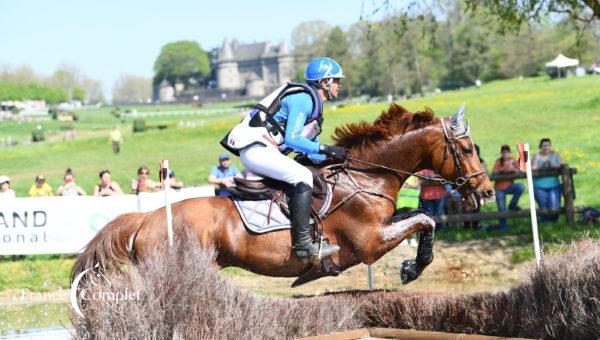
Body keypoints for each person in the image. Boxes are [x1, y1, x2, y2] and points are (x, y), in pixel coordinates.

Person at [220, 57, 347, 261]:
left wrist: (337, 156)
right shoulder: (304, 99)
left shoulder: (314, 106)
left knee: (308, 172)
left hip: (263, 150)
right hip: (256, 149)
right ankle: (303, 245)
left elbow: (311, 151)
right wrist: (326, 148)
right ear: (325, 82)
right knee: (303, 176)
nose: (339, 85)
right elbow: (293, 139)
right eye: (337, 80)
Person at [492, 145, 525, 230]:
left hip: (509, 186)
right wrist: (503, 169)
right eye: (503, 152)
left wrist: (512, 170)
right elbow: (493, 172)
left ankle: (512, 205)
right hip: (499, 188)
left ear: (509, 153)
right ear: (501, 153)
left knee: (521, 186)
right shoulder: (498, 161)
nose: (505, 154)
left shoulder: (513, 160)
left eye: (507, 152)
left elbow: (519, 171)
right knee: (502, 209)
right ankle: (503, 227)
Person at [532, 138, 563, 223]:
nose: (546, 147)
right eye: (544, 145)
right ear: (540, 147)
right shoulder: (537, 156)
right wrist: (542, 166)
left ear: (550, 146)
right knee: (543, 207)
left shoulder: (555, 155)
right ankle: (545, 224)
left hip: (554, 185)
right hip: (539, 186)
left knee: (554, 206)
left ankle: (554, 223)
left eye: (548, 145)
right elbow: (533, 168)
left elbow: (561, 165)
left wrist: (552, 165)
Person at [463, 144, 487, 230]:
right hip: (468, 188)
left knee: (477, 207)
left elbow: (484, 173)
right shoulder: (466, 162)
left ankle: (475, 225)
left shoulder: (481, 161)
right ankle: (466, 226)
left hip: (478, 188)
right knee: (467, 208)